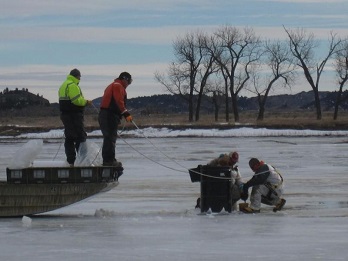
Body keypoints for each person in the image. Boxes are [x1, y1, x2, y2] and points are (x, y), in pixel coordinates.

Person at [58, 68, 92, 166]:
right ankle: (84, 161)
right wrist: (86, 102)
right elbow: (76, 100)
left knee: (69, 137)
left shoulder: (63, 85)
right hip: (74, 115)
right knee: (80, 136)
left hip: (65, 115)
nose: (80, 79)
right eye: (79, 77)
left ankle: (70, 161)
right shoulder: (72, 85)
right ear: (77, 76)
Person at [98, 72, 133, 166]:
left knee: (109, 137)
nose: (129, 84)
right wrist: (126, 113)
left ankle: (109, 159)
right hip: (109, 115)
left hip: (106, 114)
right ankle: (109, 161)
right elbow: (118, 101)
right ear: (125, 79)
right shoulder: (118, 86)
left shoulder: (112, 85)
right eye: (129, 82)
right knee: (110, 138)